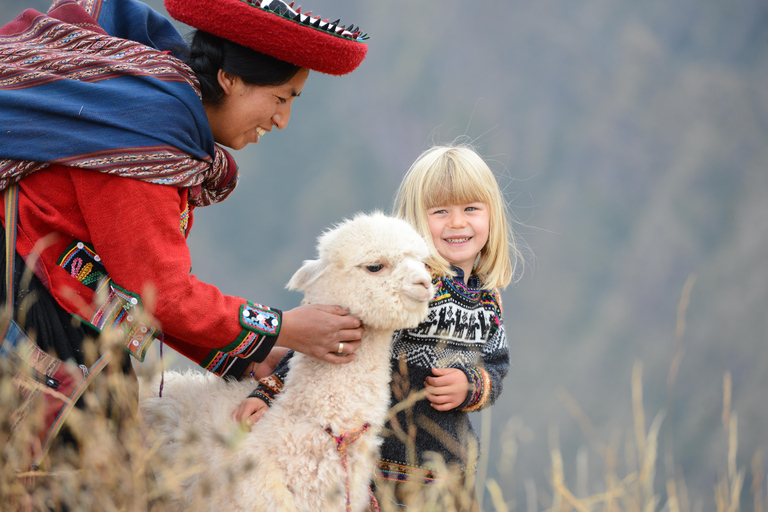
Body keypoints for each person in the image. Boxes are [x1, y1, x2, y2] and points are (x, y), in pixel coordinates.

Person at [0, 0, 368, 472]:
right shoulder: (138, 133)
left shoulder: (149, 127)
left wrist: (246, 355)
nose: (283, 120)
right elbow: (161, 294)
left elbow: (140, 283)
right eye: (281, 98)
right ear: (230, 79)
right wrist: (287, 327)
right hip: (34, 324)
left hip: (62, 319)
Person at [235, 144, 522, 511]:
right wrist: (268, 391)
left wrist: (472, 385)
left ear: (491, 216)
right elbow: (334, 341)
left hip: (452, 471)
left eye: (470, 209)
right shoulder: (405, 288)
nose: (457, 222)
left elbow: (496, 365)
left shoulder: (487, 297)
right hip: (384, 467)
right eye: (440, 212)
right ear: (416, 221)